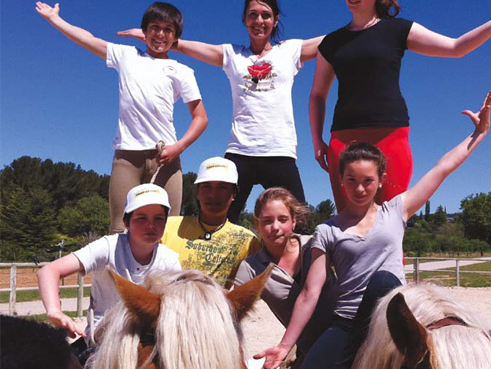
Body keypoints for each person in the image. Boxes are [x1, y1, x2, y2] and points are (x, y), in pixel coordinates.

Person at [257, 90, 491, 369]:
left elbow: (442, 168)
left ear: (381, 180)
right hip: (347, 320)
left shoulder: (396, 211)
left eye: (367, 181)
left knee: (383, 282)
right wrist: (285, 346)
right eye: (352, 180)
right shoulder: (328, 230)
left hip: (393, 320)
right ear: (341, 180)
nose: (359, 188)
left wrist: (479, 134)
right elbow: (311, 292)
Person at [310, 0, 491, 211]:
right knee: (350, 225)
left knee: (391, 222)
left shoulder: (398, 30)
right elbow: (317, 94)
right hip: (343, 139)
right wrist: (317, 141)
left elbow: (456, 47)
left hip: (391, 136)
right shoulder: (330, 43)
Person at [119, 0, 324, 223]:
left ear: (275, 20)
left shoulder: (290, 51)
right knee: (218, 222)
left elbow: (336, 39)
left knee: (300, 222)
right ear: (245, 20)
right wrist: (155, 36)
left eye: (266, 15)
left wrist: (371, 22)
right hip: (240, 151)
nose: (259, 20)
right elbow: (193, 47)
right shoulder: (233, 55)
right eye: (253, 15)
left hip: (279, 152)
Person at [36, 1, 209, 234]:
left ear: (176, 36)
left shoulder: (182, 71)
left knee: (166, 231)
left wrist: (178, 148)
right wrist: (55, 19)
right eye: (154, 27)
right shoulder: (127, 55)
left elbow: (200, 118)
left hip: (166, 157)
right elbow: (88, 39)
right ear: (145, 31)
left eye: (168, 30)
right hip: (127, 156)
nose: (160, 34)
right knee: (120, 230)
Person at [37, 184, 181, 346]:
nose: (151, 225)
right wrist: (54, 310)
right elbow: (49, 270)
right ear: (126, 222)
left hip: (149, 337)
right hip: (104, 336)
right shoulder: (108, 247)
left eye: (158, 218)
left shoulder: (170, 259)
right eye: (141, 218)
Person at [235, 188, 337, 368]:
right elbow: (231, 312)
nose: (275, 227)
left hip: (345, 336)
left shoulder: (315, 245)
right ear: (257, 224)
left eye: (282, 220)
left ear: (294, 221)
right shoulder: (251, 268)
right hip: (310, 349)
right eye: (267, 221)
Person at [161, 156, 261, 288]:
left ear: (234, 194)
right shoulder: (168, 227)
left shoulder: (248, 241)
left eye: (222, 187)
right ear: (197, 192)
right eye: (207, 186)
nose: (213, 194)